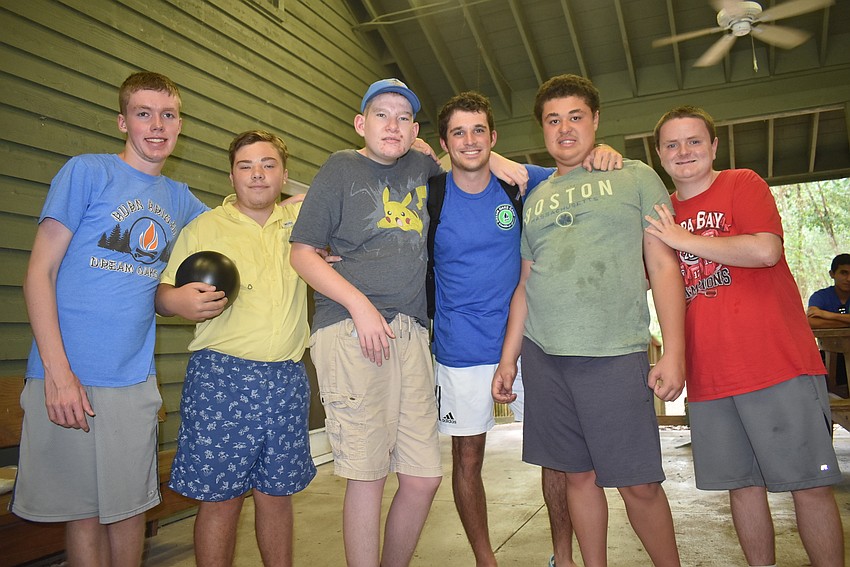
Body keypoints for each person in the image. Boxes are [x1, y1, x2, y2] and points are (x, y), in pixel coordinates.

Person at [11, 71, 208, 566]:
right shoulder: (87, 172)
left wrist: (304, 217)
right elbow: (40, 272)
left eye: (168, 114)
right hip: (67, 372)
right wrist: (59, 375)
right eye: (144, 113)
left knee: (128, 510)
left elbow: (244, 223)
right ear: (124, 121)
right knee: (83, 513)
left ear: (180, 124)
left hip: (130, 378)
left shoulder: (180, 198)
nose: (157, 125)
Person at [492, 74, 686, 567]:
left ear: (596, 121)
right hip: (544, 357)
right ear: (542, 128)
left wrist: (674, 352)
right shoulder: (534, 199)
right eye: (553, 120)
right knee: (576, 475)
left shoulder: (635, 176)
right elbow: (525, 285)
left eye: (576, 117)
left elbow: (664, 265)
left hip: (614, 353)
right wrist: (508, 360)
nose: (564, 129)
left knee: (639, 483)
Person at [646, 105, 844, 567]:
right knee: (742, 487)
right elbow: (649, 279)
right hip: (711, 376)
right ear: (659, 155)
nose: (684, 151)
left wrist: (682, 240)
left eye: (694, 141)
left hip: (778, 365)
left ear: (714, 147)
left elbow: (764, 249)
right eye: (671, 144)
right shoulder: (660, 216)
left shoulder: (742, 183)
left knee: (809, 486)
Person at [431, 91, 621, 567]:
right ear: (444, 142)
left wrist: (606, 152)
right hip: (460, 347)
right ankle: (484, 559)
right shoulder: (430, 193)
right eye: (459, 132)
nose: (470, 141)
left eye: (480, 131)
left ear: (494, 137)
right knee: (467, 458)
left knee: (556, 456)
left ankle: (563, 556)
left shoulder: (524, 182)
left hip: (533, 339)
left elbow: (576, 165)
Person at [155, 130, 317, 566]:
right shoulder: (205, 227)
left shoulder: (302, 226)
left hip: (286, 378)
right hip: (221, 379)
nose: (257, 174)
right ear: (231, 175)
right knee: (220, 499)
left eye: (268, 164)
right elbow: (163, 295)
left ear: (284, 174)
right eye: (246, 166)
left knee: (276, 495)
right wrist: (178, 301)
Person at [808, 253, 850, 328]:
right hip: (829, 340)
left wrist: (827, 315)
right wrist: (846, 323)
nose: (848, 279)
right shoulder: (820, 297)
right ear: (832, 274)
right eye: (844, 273)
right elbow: (811, 322)